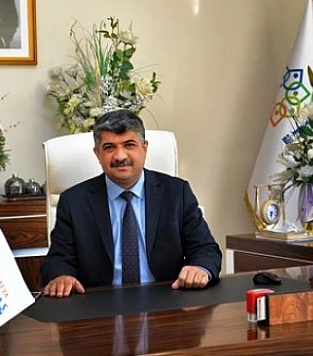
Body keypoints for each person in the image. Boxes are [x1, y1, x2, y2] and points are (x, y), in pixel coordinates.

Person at [41, 109, 222, 298]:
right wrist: (61, 276)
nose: (120, 156)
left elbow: (205, 249)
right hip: (99, 303)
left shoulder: (176, 193)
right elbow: (58, 258)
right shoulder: (74, 201)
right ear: (97, 154)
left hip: (166, 299)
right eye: (109, 147)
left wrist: (199, 268)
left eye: (129, 145)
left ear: (145, 148)